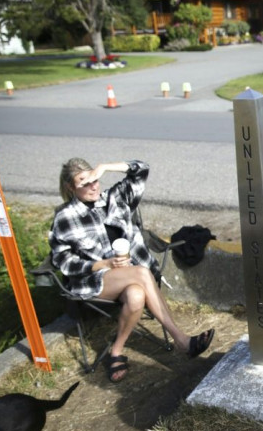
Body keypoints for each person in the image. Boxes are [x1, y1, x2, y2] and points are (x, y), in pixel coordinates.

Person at [49, 159, 215, 383]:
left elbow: (142, 169)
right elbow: (62, 260)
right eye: (84, 183)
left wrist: (106, 167)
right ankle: (182, 340)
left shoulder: (115, 197)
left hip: (130, 275)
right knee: (143, 274)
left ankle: (115, 352)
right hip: (94, 281)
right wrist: (103, 265)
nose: (93, 187)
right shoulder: (65, 217)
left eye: (95, 180)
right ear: (71, 187)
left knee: (136, 295)